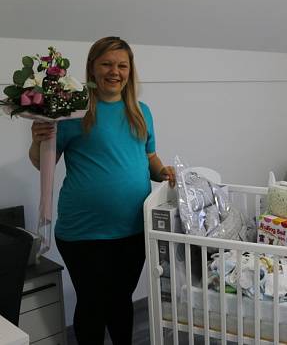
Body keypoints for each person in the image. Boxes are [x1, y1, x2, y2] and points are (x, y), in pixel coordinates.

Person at [28, 36, 176, 345]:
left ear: (130, 70)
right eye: (107, 64)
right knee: (93, 305)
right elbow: (44, 165)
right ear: (92, 68)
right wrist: (37, 140)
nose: (115, 72)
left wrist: (164, 172)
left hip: (133, 229)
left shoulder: (141, 111)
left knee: (120, 301)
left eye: (122, 65)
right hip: (83, 233)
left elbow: (149, 157)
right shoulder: (74, 112)